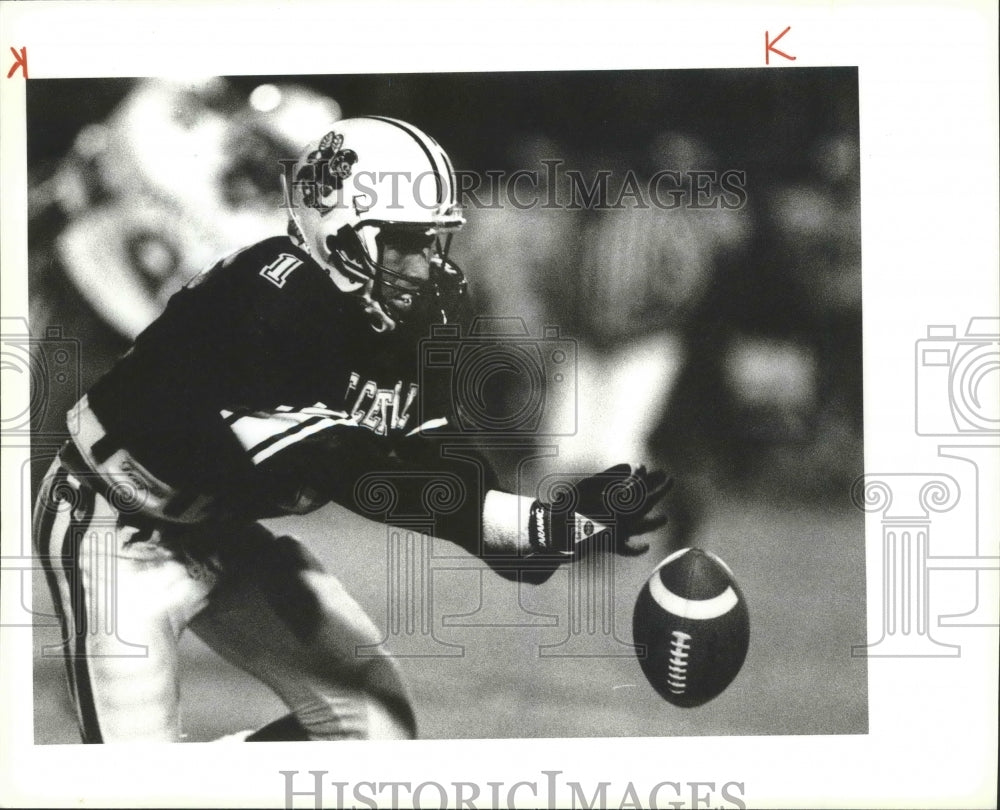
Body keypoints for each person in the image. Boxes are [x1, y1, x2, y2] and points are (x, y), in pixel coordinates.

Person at [32, 116, 670, 743]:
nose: (425, 267)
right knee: (137, 789)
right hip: (113, 529)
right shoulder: (266, 299)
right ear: (341, 228)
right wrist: (510, 524)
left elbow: (446, 472)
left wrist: (543, 531)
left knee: (375, 728)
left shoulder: (410, 312)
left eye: (432, 240)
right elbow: (346, 469)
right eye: (406, 242)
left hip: (215, 528)